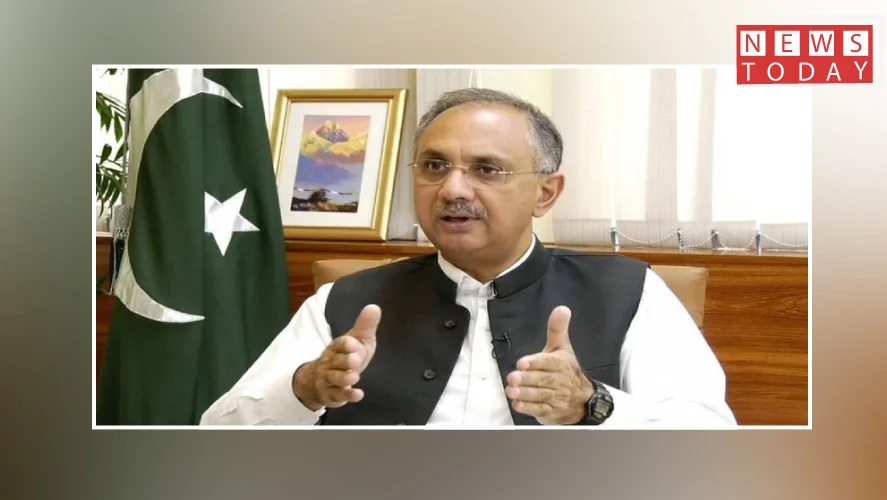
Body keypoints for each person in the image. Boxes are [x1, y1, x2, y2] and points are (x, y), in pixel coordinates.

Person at [200, 88, 737, 427]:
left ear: (546, 193)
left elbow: (708, 440)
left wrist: (591, 404)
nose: (453, 189)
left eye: (487, 169)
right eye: (434, 166)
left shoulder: (627, 291)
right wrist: (303, 388)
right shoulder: (345, 301)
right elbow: (219, 434)